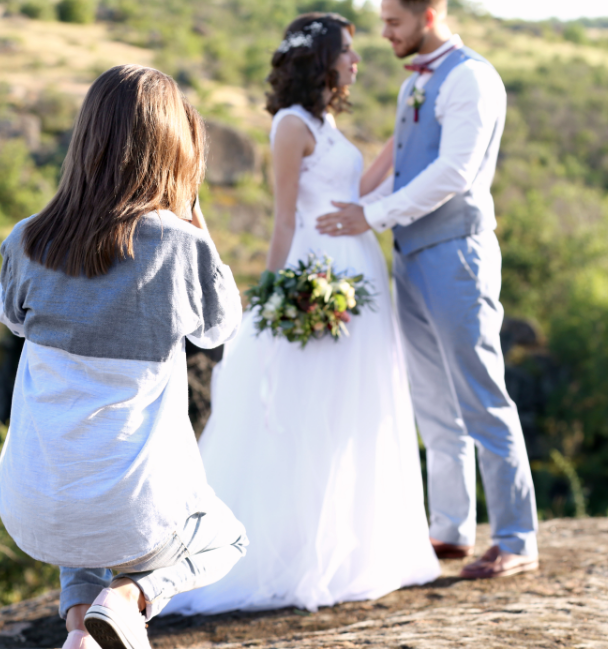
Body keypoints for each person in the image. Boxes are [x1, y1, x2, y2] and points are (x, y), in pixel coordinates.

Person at [163, 12, 440, 616]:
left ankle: (355, 548)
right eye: (348, 51)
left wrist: (397, 147)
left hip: (360, 271)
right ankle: (293, 551)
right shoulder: (290, 125)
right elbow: (285, 218)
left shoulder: (328, 122)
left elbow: (353, 196)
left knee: (356, 406)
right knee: (307, 408)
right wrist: (270, 297)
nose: (356, 61)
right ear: (321, 59)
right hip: (316, 278)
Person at [0, 65, 248, 649]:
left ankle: (80, 628)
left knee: (77, 459)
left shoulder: (26, 239)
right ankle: (130, 599)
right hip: (136, 519)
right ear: (173, 150)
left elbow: (9, 316)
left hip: (32, 510)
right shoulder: (183, 247)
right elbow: (220, 327)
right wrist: (195, 221)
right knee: (226, 539)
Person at [316, 0, 540, 579]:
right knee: (435, 402)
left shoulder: (470, 78)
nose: (384, 32)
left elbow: (454, 172)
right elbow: (400, 161)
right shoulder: (416, 80)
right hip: (411, 256)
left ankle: (516, 537)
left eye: (393, 22)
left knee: (481, 395)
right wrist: (349, 209)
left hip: (455, 254)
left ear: (430, 12)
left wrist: (374, 216)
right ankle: (451, 528)